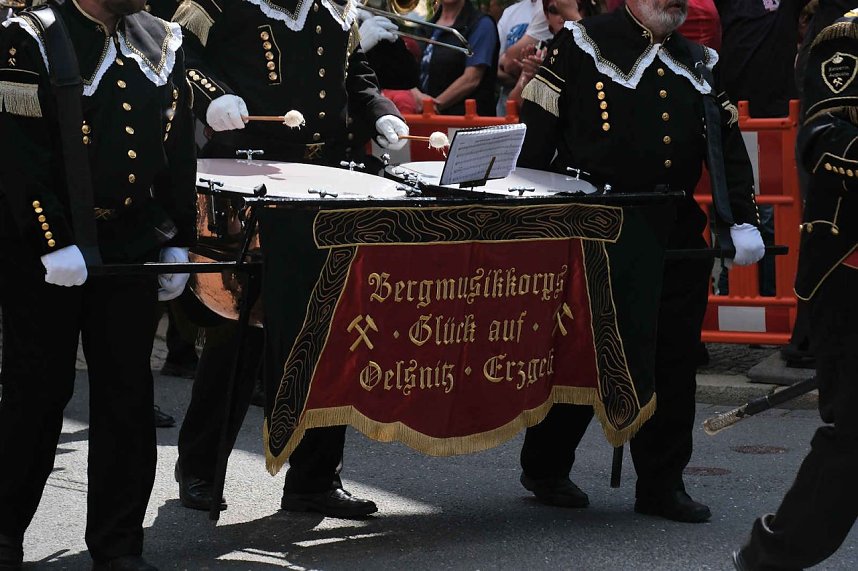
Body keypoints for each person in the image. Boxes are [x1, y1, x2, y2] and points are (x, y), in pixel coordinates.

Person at [515, 0, 765, 523]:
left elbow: (725, 146)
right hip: (601, 224)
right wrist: (533, 211)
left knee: (673, 359)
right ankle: (545, 465)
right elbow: (538, 132)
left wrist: (739, 216)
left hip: (675, 227)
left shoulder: (697, 59)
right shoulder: (583, 43)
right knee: (587, 350)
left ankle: (662, 482)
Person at [170, 0, 408, 519]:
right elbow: (177, 53)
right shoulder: (216, 6)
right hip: (248, 182)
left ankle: (315, 480)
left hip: (325, 186)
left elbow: (357, 76)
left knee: (332, 328)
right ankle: (201, 467)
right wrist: (212, 97)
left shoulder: (332, 12)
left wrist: (382, 111)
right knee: (238, 333)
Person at [0, 0, 196, 568]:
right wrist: (51, 238)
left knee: (127, 399)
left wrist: (176, 235)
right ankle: (4, 532)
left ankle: (118, 546)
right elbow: (16, 153)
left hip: (130, 244)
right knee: (37, 394)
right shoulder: (33, 36)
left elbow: (174, 146)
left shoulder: (160, 39)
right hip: (47, 252)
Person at [732, 8, 858, 570]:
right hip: (850, 268)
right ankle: (770, 558)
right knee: (855, 432)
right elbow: (824, 140)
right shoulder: (847, 36)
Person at [412, 0, 500, 115]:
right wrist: (414, 93)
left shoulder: (482, 23)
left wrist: (433, 105)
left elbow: (472, 78)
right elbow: (408, 70)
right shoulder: (425, 27)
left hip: (465, 123)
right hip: (424, 118)